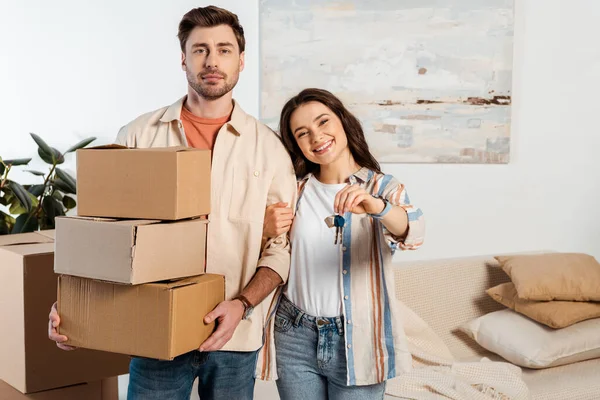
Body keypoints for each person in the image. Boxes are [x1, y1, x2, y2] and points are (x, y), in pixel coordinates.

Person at [48, 6, 296, 400]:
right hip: (154, 327)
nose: (212, 61)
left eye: (224, 49)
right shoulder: (138, 135)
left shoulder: (269, 150)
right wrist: (72, 309)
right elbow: (97, 233)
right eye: (200, 49)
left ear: (242, 60)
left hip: (235, 334)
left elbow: (280, 250)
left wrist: (242, 304)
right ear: (183, 58)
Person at [262, 88, 425, 400]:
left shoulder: (381, 187)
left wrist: (377, 207)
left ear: (343, 121)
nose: (317, 137)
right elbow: (268, 253)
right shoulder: (294, 190)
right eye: (302, 133)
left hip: (358, 336)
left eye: (324, 122)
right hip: (293, 332)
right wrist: (265, 231)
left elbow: (415, 232)